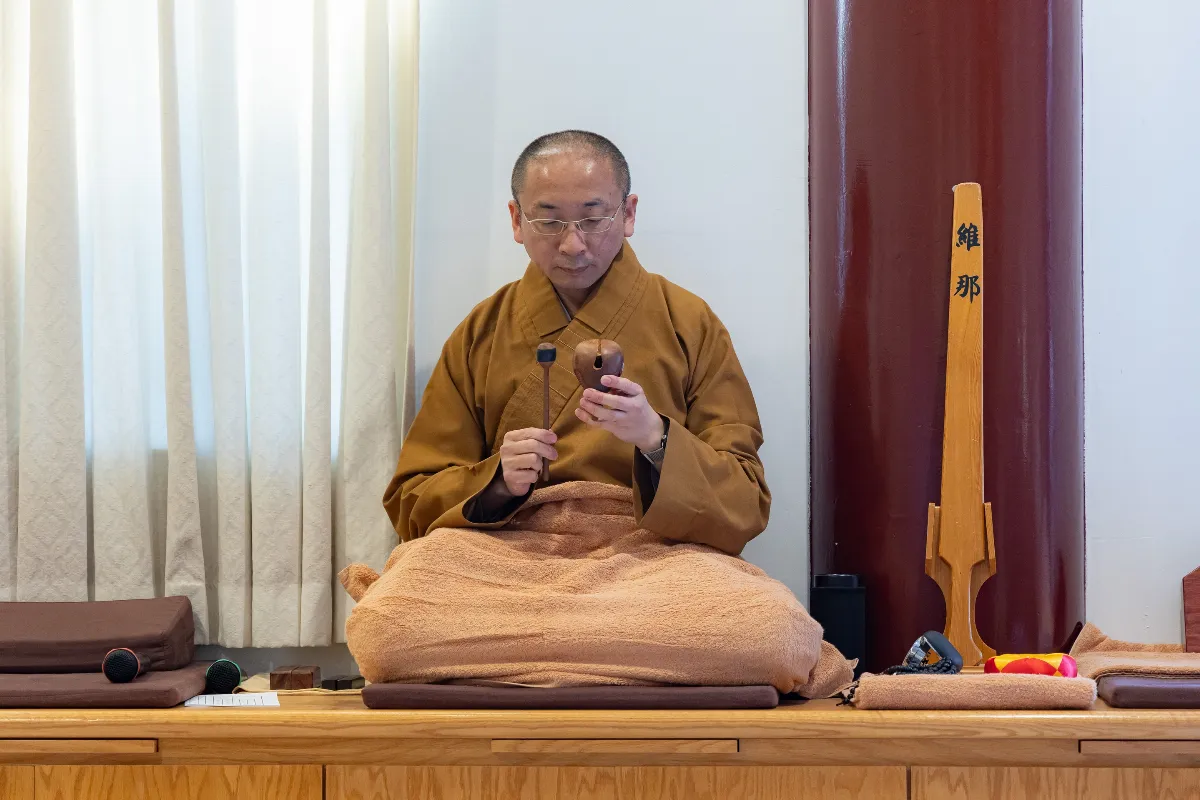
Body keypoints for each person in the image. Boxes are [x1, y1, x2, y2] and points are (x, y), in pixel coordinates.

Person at [383, 130, 769, 555]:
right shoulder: (482, 331)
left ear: (628, 214)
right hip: (506, 550)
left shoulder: (689, 323)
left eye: (593, 219)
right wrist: (496, 481)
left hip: (654, 551)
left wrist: (656, 439)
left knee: (768, 622)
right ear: (516, 220)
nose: (572, 244)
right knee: (388, 619)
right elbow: (412, 498)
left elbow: (745, 500)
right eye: (548, 221)